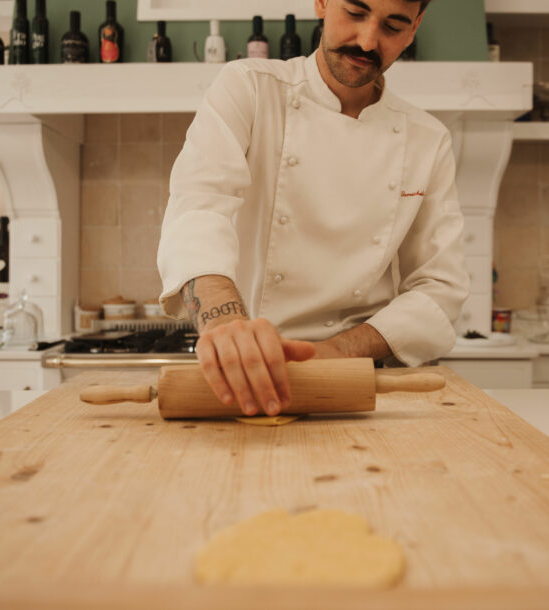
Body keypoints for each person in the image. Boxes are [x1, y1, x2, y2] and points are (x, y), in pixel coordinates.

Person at [157, 0, 469, 418]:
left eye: (393, 26)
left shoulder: (428, 139)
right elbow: (199, 205)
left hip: (357, 381)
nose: (367, 41)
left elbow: (439, 286)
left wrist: (338, 350)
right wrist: (224, 322)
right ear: (322, 3)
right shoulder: (249, 86)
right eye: (355, 13)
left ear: (414, 29)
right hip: (244, 371)